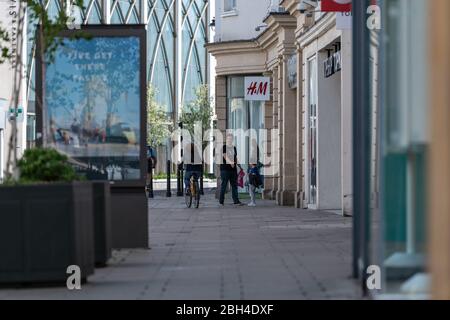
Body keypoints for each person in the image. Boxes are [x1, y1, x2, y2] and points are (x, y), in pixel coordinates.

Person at [219, 133, 244, 206]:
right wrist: (230, 162)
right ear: (226, 140)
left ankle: (236, 201)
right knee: (224, 185)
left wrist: (239, 166)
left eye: (231, 139)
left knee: (234, 185)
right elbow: (224, 156)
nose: (230, 140)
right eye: (228, 139)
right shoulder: (224, 147)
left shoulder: (234, 147)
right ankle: (221, 201)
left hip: (233, 170)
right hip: (225, 169)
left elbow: (235, 157)